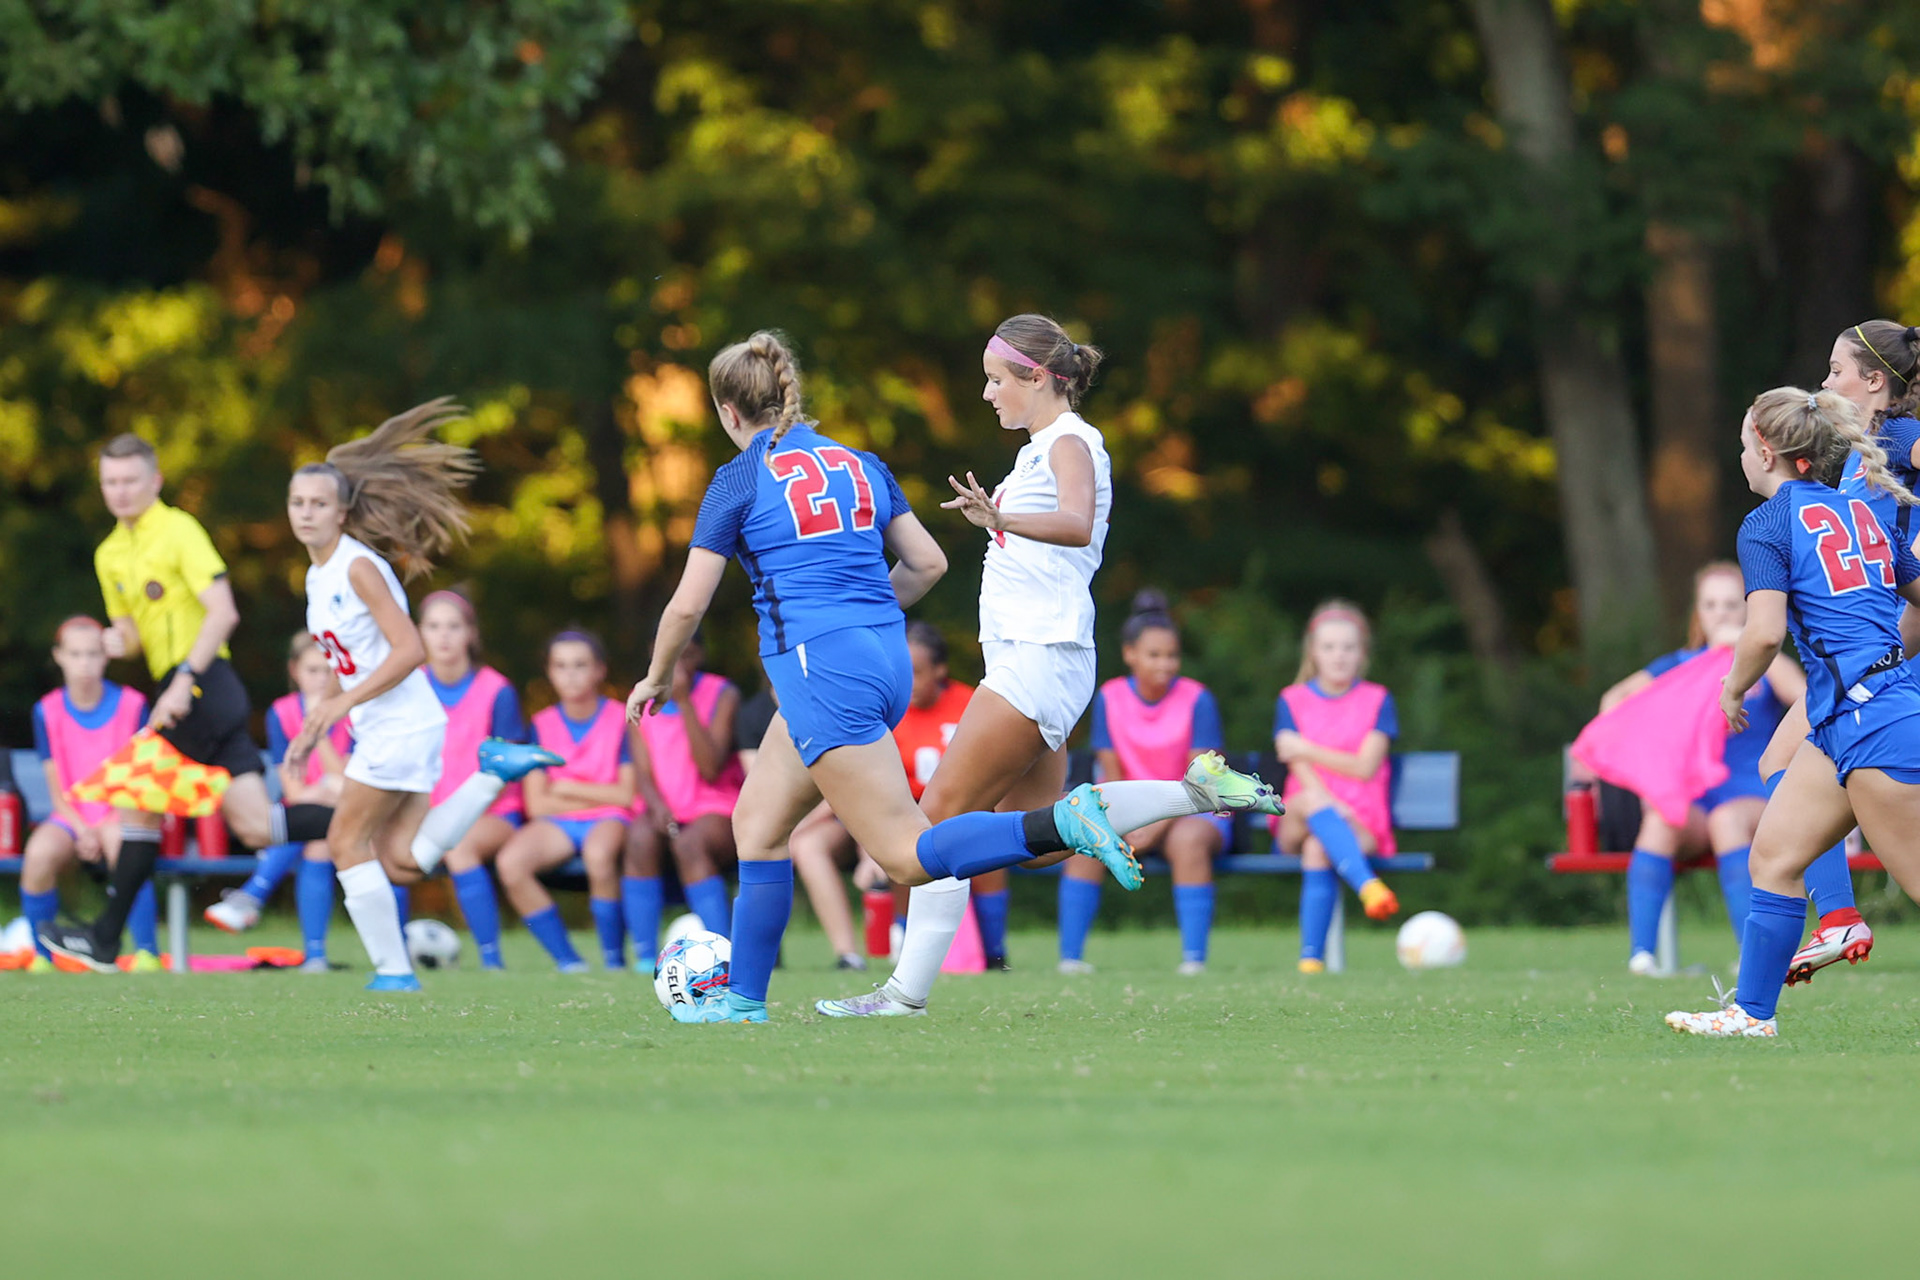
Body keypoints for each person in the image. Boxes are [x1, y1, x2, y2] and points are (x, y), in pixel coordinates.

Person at [818, 316, 1280, 1018]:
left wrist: (999, 520)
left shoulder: (1070, 440)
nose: (986, 393)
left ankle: (902, 996)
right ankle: (1196, 792)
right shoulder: (1040, 448)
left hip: (1037, 659)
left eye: (996, 379)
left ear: (1036, 377)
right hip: (1043, 661)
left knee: (931, 827)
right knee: (1038, 839)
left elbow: (1076, 521)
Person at [1668, 388, 1920, 1036]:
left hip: (1873, 725)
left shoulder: (1767, 524)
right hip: (1851, 721)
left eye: (1743, 444)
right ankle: (1752, 1016)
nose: (1740, 456)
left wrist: (1732, 690)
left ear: (1766, 453)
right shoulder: (1860, 512)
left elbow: (1762, 635)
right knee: (1774, 858)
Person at [38, 433, 342, 970]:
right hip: (188, 689)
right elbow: (132, 637)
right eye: (110, 481)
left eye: (130, 480)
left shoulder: (179, 530)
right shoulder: (109, 554)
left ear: (155, 481)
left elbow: (223, 612)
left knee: (135, 797)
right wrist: (115, 643)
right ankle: (364, 815)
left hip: (202, 685)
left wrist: (184, 678)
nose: (120, 491)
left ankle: (105, 940)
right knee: (256, 826)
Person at [1749, 320, 1920, 983]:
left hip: (1883, 663)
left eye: (1836, 369)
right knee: (1778, 761)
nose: (1825, 382)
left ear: (1875, 381)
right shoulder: (1856, 453)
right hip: (1864, 666)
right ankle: (1839, 916)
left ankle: (1840, 917)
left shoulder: (1898, 435)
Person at [1595, 564, 1808, 975]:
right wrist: (1650, 771)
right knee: (1661, 820)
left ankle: (1752, 956)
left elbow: (1806, 696)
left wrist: (1747, 647)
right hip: (1695, 798)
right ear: (1698, 611)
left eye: (1731, 604)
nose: (1720, 614)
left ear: (1749, 609)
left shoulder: (1765, 663)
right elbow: (1614, 702)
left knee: (1726, 821)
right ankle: (1642, 958)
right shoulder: (1679, 666)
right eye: (1710, 605)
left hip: (1750, 795)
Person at [1059, 591, 1228, 976]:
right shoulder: (1110, 697)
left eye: (1172, 656)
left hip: (1191, 810)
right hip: (1130, 808)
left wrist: (1154, 825)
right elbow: (1111, 773)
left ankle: (1194, 960)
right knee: (1085, 838)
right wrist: (1130, 821)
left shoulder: (1198, 699)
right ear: (1130, 654)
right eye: (1154, 655)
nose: (1165, 664)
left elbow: (1200, 781)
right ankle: (1071, 959)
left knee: (1189, 841)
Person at [788, 621, 974, 969]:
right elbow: (857, 782)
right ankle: (848, 954)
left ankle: (968, 943)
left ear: (940, 669)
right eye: (902, 670)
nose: (908, 681)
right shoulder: (878, 703)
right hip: (865, 812)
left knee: (922, 840)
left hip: (932, 816)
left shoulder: (970, 704)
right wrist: (864, 849)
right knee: (806, 845)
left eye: (917, 672)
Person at [203, 634, 353, 972]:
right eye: (312, 670)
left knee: (316, 830)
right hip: (311, 815)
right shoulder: (281, 713)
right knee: (316, 840)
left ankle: (253, 895)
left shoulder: (353, 710)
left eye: (328, 671)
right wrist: (326, 789)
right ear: (295, 671)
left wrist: (318, 731)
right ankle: (315, 957)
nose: (321, 679)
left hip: (352, 811)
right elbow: (295, 791)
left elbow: (348, 785)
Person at [18, 617, 156, 971]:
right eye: (76, 654)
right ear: (59, 656)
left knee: (126, 849)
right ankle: (43, 955)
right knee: (37, 855)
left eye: (93, 654)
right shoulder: (46, 710)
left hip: (120, 812)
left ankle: (146, 952)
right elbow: (57, 790)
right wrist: (83, 830)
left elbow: (138, 778)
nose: (84, 663)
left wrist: (107, 822)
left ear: (106, 657)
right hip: (70, 816)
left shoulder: (133, 704)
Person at [496, 631, 636, 973]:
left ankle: (614, 962)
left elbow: (626, 795)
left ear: (600, 670)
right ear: (549, 672)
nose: (570, 675)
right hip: (561, 824)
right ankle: (568, 961)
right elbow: (537, 805)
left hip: (611, 820)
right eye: (560, 666)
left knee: (598, 856)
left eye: (580, 665)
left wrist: (566, 787)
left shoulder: (622, 718)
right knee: (510, 864)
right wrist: (597, 795)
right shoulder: (541, 724)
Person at [1273, 600, 1400, 975]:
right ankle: (1368, 885)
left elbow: (1365, 767)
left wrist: (1306, 747)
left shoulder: (1378, 700)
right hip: (1300, 815)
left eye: (1348, 647)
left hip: (1361, 818)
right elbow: (1297, 766)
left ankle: (1310, 961)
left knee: (1318, 847)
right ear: (1313, 652)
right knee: (1308, 802)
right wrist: (1328, 803)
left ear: (1362, 653)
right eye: (1329, 647)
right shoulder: (1291, 700)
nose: (1339, 656)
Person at [418, 589, 528, 970]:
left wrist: (458, 810)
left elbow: (508, 769)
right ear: (420, 633)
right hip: (426, 810)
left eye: (453, 626)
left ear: (471, 634)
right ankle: (392, 960)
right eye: (433, 626)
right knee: (381, 846)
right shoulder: (410, 687)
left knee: (458, 846)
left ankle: (491, 961)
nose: (443, 636)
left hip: (492, 811)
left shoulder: (497, 691)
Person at [622, 629, 744, 967]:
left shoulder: (723, 694)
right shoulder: (639, 697)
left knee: (689, 845)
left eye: (686, 654)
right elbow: (642, 771)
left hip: (713, 805)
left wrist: (685, 700)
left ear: (700, 655)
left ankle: (724, 953)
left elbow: (710, 768)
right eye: (669, 654)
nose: (677, 663)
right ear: (654, 653)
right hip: (662, 804)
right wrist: (657, 807)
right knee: (638, 838)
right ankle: (644, 958)